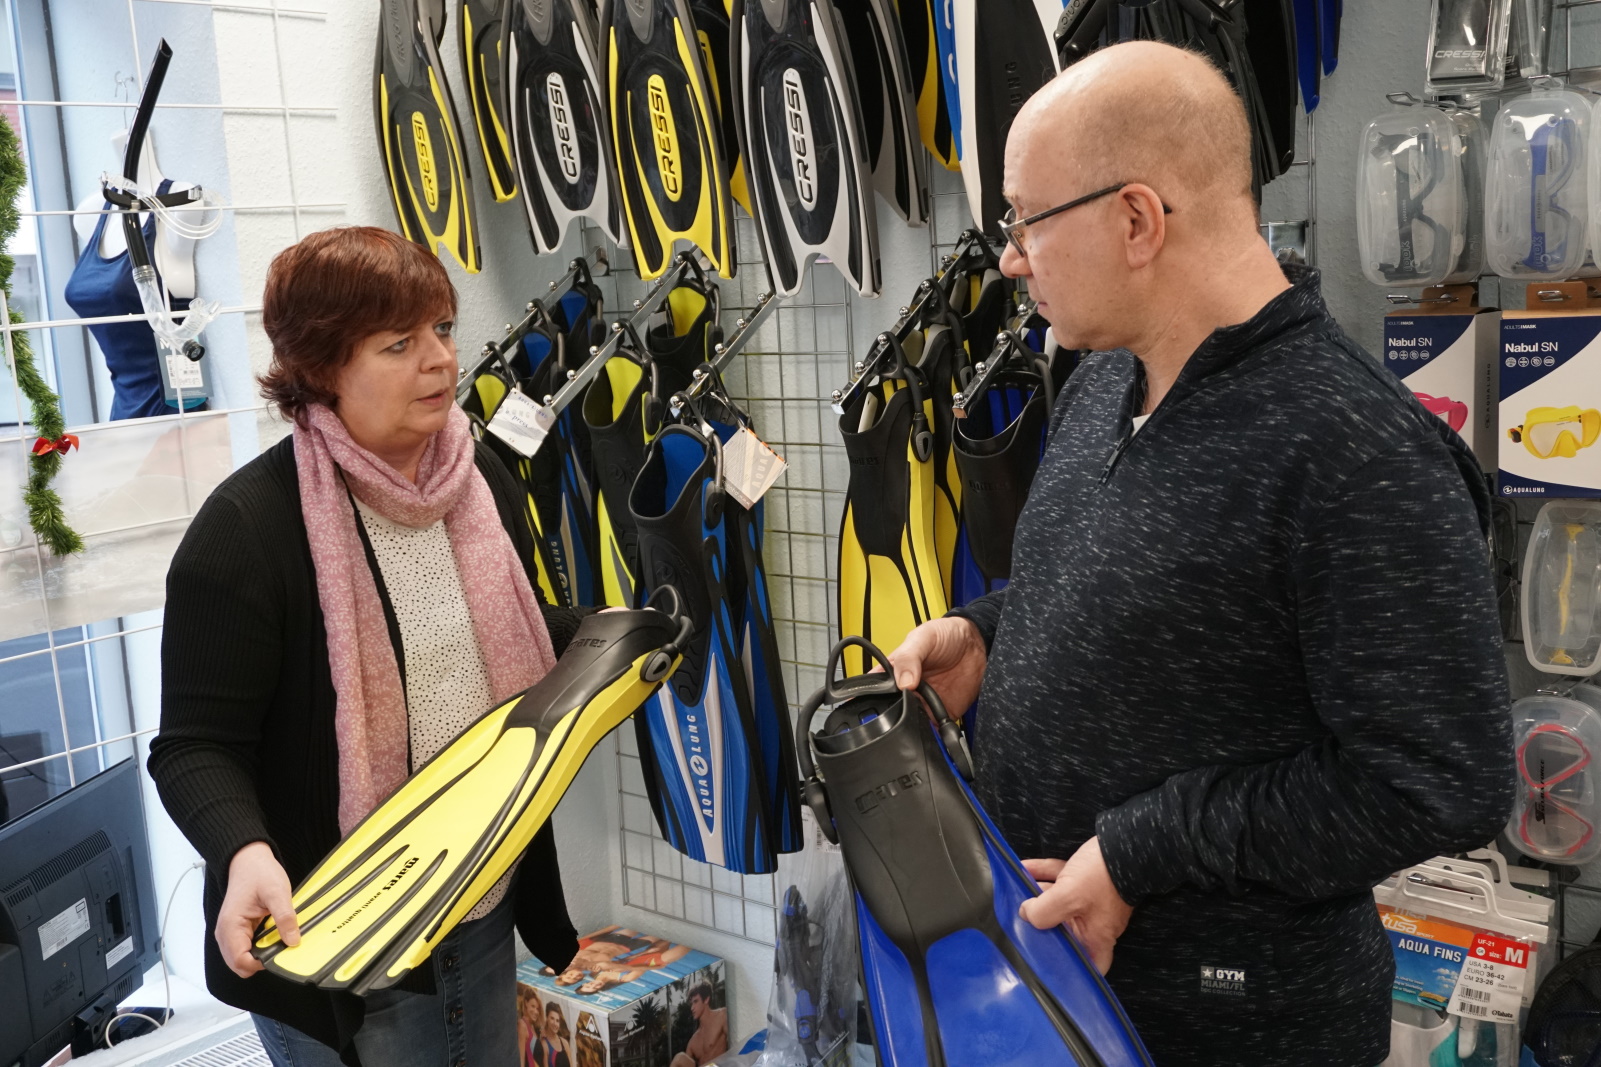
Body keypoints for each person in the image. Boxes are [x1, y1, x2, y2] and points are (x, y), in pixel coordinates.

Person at [888, 41, 1515, 1067]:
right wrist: (989, 635)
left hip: (1235, 1026)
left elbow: (1439, 781)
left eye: (1023, 220)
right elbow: (1147, 593)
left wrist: (1142, 849)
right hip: (1061, 997)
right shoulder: (1102, 383)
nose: (1008, 256)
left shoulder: (1355, 450)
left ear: (1134, 218)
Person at [147, 227, 587, 1066]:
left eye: (443, 330)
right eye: (399, 343)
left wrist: (614, 632)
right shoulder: (248, 531)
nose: (441, 361)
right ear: (320, 370)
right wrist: (244, 851)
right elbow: (194, 745)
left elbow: (501, 638)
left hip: (482, 902)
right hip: (339, 935)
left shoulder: (478, 480)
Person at [670, 982, 727, 1067]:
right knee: (680, 1058)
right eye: (691, 1003)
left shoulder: (721, 1016)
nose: (692, 1008)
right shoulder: (693, 1041)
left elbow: (736, 1041)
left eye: (696, 1002)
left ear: (706, 999)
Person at [534, 1002, 574, 1067]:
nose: (555, 1024)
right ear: (547, 1018)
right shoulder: (544, 1045)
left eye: (557, 1021)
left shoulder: (565, 1043)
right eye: (552, 1018)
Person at [518, 984, 545, 1067]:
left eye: (537, 1008)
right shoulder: (522, 1025)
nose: (536, 1012)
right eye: (533, 1006)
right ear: (526, 1003)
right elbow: (521, 1058)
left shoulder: (534, 1028)